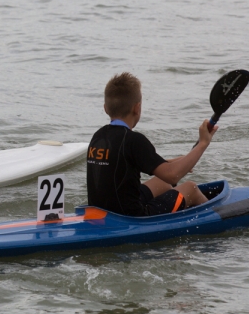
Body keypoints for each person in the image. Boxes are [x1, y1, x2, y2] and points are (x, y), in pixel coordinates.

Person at [86, 72, 217, 216]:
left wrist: (182, 160)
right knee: (191, 188)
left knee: (163, 184)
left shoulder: (98, 136)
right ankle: (216, 217)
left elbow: (130, 163)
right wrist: (203, 143)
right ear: (137, 108)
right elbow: (173, 175)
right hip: (132, 217)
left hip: (100, 212)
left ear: (106, 108)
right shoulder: (134, 140)